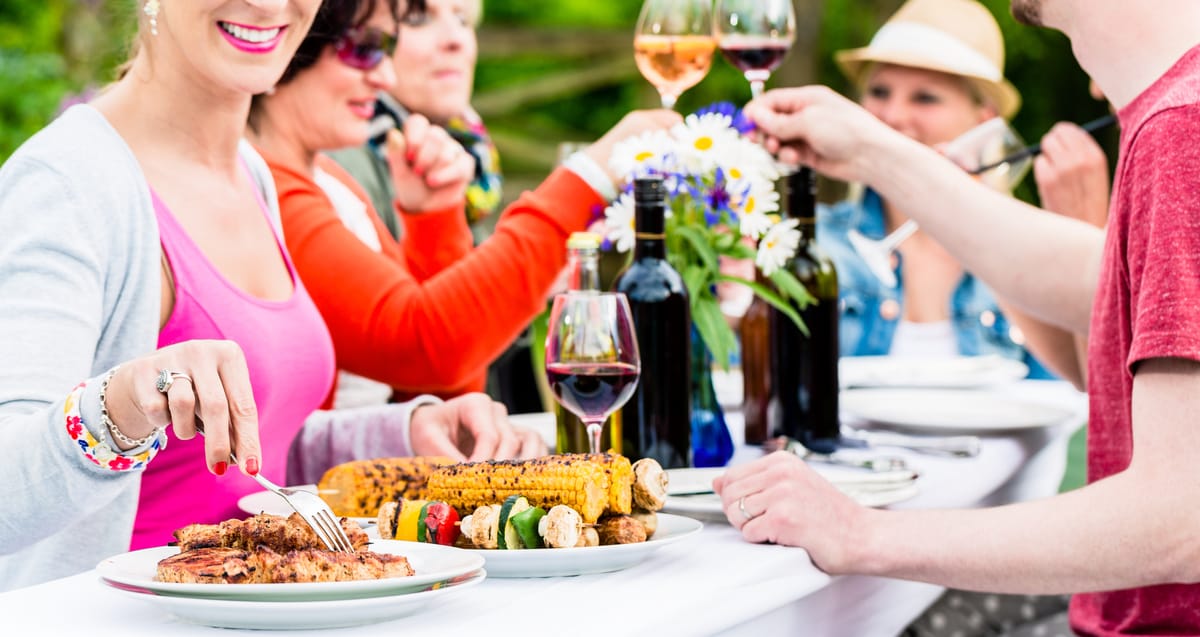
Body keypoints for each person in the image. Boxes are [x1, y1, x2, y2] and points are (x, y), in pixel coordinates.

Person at [0, 0, 547, 588]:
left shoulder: (249, 171)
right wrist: (126, 401)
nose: (265, 4)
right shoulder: (67, 185)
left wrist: (408, 431)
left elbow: (248, 453)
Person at [720, 0, 1200, 633]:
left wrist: (860, 534)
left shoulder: (1181, 130)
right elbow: (1092, 278)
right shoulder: (1176, 114)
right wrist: (871, 151)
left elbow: (1179, 518)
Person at [246, 0, 679, 413]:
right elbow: (424, 345)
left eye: (386, 50)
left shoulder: (328, 180)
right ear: (291, 46)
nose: (385, 79)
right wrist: (588, 179)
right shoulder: (273, 193)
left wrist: (433, 218)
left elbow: (442, 390)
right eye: (363, 50)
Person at [817, 0, 1056, 378]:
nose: (893, 116)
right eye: (879, 92)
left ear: (985, 118)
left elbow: (1066, 402)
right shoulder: (816, 243)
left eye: (925, 97)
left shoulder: (1030, 253)